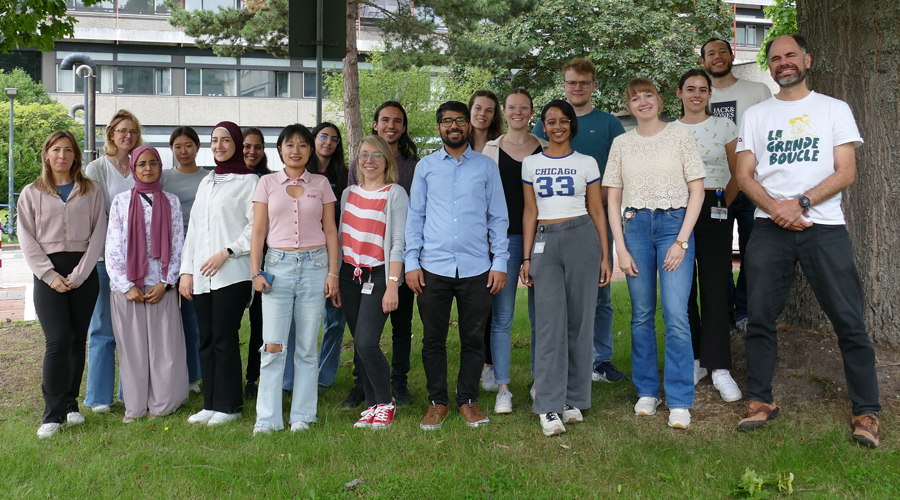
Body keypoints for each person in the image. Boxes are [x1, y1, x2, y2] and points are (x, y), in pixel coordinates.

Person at [735, 34, 882, 448]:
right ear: (769, 65)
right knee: (760, 318)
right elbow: (744, 175)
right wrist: (777, 209)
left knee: (849, 320)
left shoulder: (834, 109)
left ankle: (866, 410)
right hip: (769, 229)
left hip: (824, 227)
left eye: (791, 55)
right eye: (775, 57)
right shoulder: (756, 115)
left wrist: (799, 203)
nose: (783, 62)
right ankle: (760, 401)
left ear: (807, 60)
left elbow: (846, 171)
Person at [603, 77, 706, 430]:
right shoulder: (621, 143)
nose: (643, 102)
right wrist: (620, 247)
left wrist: (681, 241)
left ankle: (679, 398)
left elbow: (697, 192)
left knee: (676, 314)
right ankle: (647, 390)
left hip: (674, 226)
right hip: (634, 228)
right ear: (629, 106)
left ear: (659, 100)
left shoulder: (680, 136)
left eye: (648, 95)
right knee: (642, 314)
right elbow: (613, 200)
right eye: (635, 98)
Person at [405, 100, 509, 431]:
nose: (454, 126)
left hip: (477, 267)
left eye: (460, 120)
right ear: (439, 127)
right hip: (432, 267)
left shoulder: (486, 167)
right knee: (433, 340)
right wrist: (411, 261)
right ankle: (437, 402)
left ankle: (467, 400)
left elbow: (498, 217)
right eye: (447, 121)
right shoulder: (425, 167)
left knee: (474, 339)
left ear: (468, 125)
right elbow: (415, 216)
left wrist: (500, 261)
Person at [532, 58, 628, 384]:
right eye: (572, 82)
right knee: (554, 296)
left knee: (600, 292)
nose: (577, 88)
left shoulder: (609, 124)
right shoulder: (546, 123)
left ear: (593, 86)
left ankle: (600, 360)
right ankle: (558, 361)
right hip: (555, 222)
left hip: (595, 218)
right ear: (564, 85)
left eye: (584, 83)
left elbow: (618, 172)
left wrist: (594, 203)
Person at [521, 100, 611, 437]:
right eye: (550, 121)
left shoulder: (586, 162)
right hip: (545, 240)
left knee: (580, 322)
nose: (557, 126)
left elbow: (597, 210)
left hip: (582, 237)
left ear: (572, 124)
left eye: (563, 120)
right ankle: (548, 404)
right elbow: (530, 211)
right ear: (543, 126)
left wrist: (605, 256)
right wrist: (527, 258)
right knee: (549, 325)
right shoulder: (531, 163)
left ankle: (573, 398)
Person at [250, 123, 340, 434]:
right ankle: (267, 418)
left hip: (315, 266)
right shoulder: (266, 183)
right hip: (277, 267)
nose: (296, 151)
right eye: (290, 145)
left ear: (310, 150)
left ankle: (302, 415)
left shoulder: (321, 183)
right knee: (273, 345)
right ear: (280, 149)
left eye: (303, 145)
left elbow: (331, 230)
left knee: (306, 347)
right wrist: (255, 272)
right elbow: (258, 231)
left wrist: (332, 272)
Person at [19, 131, 106, 438]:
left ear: (75, 156)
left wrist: (80, 274)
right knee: (57, 340)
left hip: (83, 272)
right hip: (49, 274)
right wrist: (49, 275)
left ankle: (70, 406)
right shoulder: (31, 192)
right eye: (56, 149)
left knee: (76, 340)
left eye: (68, 150)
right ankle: (52, 414)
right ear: (46, 154)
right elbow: (26, 238)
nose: (62, 155)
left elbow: (99, 232)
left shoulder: (91, 190)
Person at [179, 122, 257, 426]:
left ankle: (230, 406)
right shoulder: (207, 181)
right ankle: (211, 404)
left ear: (236, 143)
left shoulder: (249, 181)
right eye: (214, 140)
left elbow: (256, 228)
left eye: (225, 140)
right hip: (202, 276)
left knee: (224, 338)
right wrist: (186, 272)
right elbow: (194, 231)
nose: (219, 145)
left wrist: (227, 252)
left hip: (232, 273)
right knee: (207, 339)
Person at [672, 69, 742, 402]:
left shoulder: (725, 126)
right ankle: (694, 360)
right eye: (690, 89)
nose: (696, 94)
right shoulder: (668, 131)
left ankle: (719, 366)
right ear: (679, 93)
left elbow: (738, 173)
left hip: (714, 209)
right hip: (677, 212)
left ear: (710, 95)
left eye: (703, 89)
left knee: (714, 287)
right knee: (682, 289)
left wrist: (722, 204)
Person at [345, 101, 420, 409]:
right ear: (375, 124)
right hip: (354, 270)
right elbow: (349, 226)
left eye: (397, 121)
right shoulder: (353, 181)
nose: (391, 125)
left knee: (389, 332)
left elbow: (403, 233)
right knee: (361, 336)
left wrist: (395, 278)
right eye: (385, 120)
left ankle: (394, 389)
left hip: (388, 266)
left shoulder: (408, 173)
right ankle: (364, 391)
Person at [106, 146, 187, 423]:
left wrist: (166, 282)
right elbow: (113, 247)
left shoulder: (172, 202)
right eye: (141, 164)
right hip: (129, 289)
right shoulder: (120, 202)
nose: (148, 168)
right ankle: (135, 407)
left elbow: (178, 245)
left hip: (160, 287)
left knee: (164, 349)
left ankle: (163, 404)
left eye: (153, 163)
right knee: (133, 351)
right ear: (133, 168)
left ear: (160, 167)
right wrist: (126, 285)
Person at [481, 88, 548, 414]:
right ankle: (503, 388)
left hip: (541, 241)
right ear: (504, 112)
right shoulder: (490, 150)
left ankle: (539, 382)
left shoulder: (545, 148)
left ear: (531, 112)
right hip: (502, 242)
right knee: (502, 317)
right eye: (512, 107)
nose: (518, 112)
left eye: (524, 107)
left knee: (541, 316)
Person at [700, 38, 773, 335]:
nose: (717, 57)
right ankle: (725, 317)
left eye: (722, 52)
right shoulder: (699, 93)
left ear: (732, 56)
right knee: (717, 258)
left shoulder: (757, 91)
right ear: (703, 61)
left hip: (754, 188)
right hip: (716, 191)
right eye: (710, 54)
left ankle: (743, 311)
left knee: (753, 255)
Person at [339, 135, 409, 430]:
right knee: (358, 344)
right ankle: (371, 405)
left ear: (386, 160)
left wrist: (393, 285)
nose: (369, 160)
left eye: (376, 155)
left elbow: (398, 242)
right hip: (349, 275)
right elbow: (342, 237)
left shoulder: (395, 193)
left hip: (378, 275)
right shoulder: (348, 193)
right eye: (364, 155)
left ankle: (385, 403)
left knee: (367, 342)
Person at [83, 109, 144, 413]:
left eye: (132, 131)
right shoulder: (96, 168)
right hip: (104, 258)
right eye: (122, 131)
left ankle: (128, 391)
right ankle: (98, 398)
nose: (127, 136)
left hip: (138, 258)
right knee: (102, 327)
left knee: (131, 329)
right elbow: (94, 214)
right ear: (111, 134)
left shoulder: (141, 164)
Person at [160, 127, 205, 395]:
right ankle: (168, 375)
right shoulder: (163, 177)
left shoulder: (208, 178)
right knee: (166, 318)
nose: (183, 151)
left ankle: (193, 376)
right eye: (177, 146)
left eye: (188, 145)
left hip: (197, 252)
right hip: (167, 253)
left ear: (198, 147)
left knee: (192, 317)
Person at [307, 122, 350, 393]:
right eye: (323, 136)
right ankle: (299, 372)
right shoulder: (301, 172)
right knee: (305, 320)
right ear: (313, 139)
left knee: (335, 318)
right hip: (306, 255)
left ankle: (324, 376)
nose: (328, 142)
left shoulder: (344, 176)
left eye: (334, 139)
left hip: (338, 254)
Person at [241, 127, 271, 399]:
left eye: (257, 146)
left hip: (265, 260)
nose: (252, 151)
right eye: (246, 146)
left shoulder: (270, 180)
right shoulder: (228, 179)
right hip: (233, 260)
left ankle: (253, 378)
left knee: (260, 323)